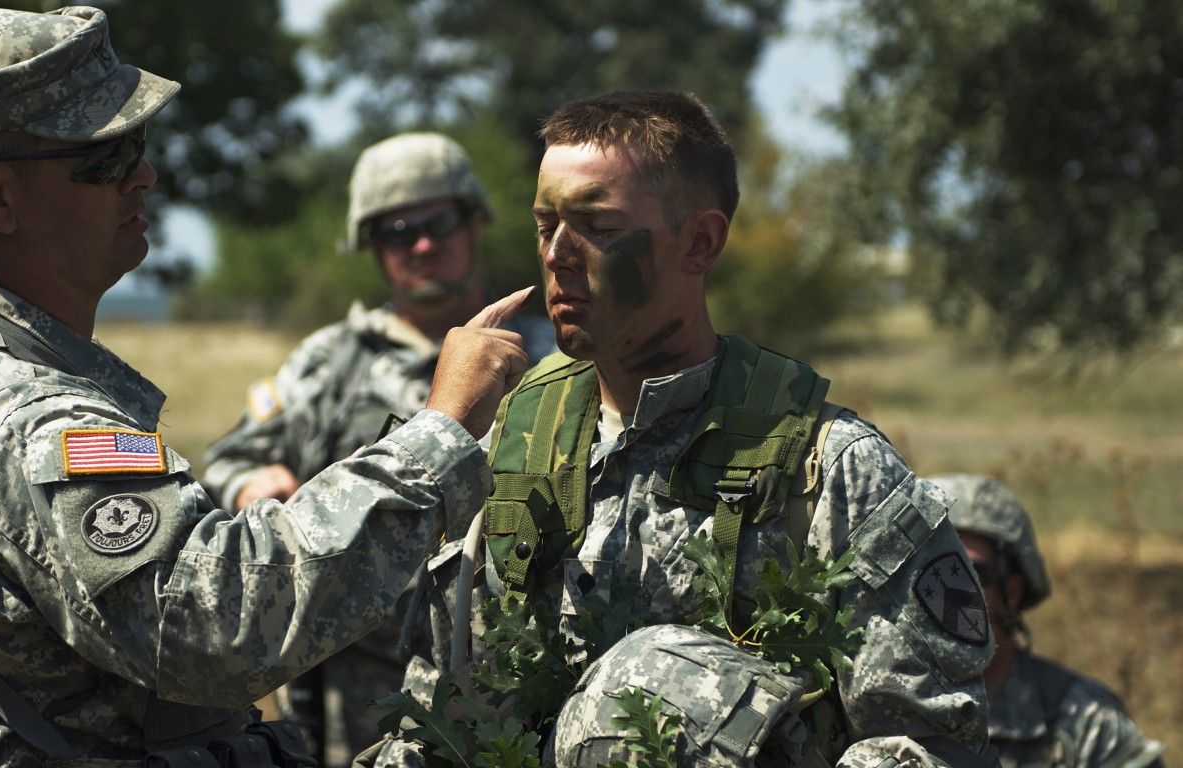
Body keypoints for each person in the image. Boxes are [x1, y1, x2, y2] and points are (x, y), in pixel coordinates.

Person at [0, 4, 532, 766]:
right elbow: (216, 625)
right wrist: (441, 431)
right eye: (100, 157)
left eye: (136, 143)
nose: (144, 173)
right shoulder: (31, 421)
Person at [369, 91, 998, 768]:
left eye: (599, 226)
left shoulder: (831, 467)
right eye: (544, 224)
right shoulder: (507, 450)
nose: (556, 254)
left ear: (700, 242)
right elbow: (439, 727)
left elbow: (928, 747)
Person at [202, 132, 554, 766]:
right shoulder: (331, 362)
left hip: (523, 675)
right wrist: (260, 486)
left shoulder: (549, 353)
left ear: (475, 223)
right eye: (397, 231)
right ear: (372, 248)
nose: (423, 244)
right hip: (363, 694)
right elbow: (232, 458)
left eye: (440, 221)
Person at [928, 474, 1167, 768]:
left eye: (967, 573)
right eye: (929, 573)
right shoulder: (867, 709)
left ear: (1012, 592)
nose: (943, 593)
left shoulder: (1084, 724)